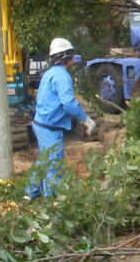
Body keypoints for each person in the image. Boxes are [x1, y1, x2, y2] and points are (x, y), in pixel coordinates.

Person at [26, 37, 96, 200]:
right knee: (54, 164)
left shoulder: (50, 73)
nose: (73, 61)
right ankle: (52, 202)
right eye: (71, 57)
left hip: (40, 123)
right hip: (50, 127)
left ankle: (31, 193)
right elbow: (69, 103)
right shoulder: (62, 76)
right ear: (66, 57)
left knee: (44, 160)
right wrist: (86, 120)